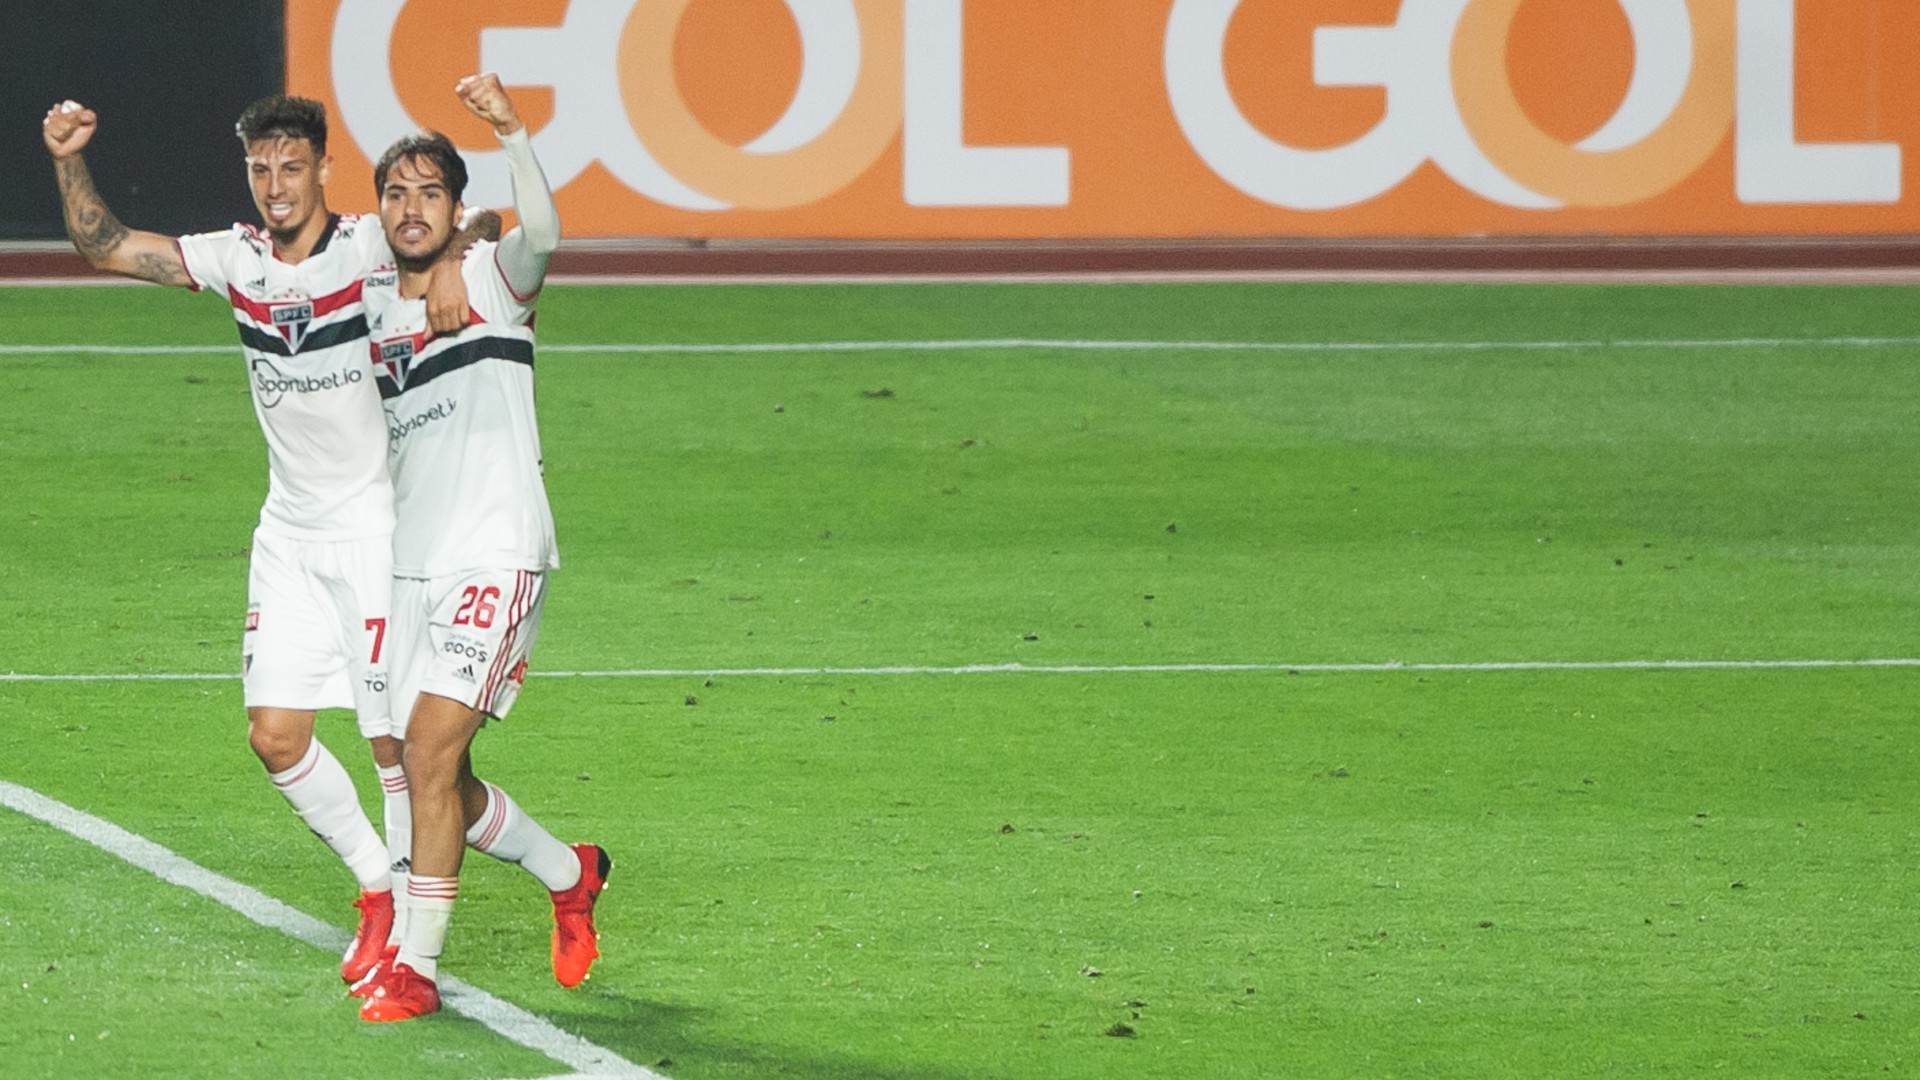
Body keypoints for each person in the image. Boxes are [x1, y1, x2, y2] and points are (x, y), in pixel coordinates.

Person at [40, 95, 492, 988]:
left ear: (324, 169)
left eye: (292, 169)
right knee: (276, 737)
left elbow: (471, 215)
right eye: (261, 170)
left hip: (374, 531)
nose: (277, 187)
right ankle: (375, 887)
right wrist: (67, 158)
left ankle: (409, 936)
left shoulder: (367, 243)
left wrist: (454, 261)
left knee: (393, 747)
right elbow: (105, 244)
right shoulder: (236, 258)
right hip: (286, 533)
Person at [351, 74, 607, 1023]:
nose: (410, 209)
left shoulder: (496, 278)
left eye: (430, 194)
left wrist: (510, 133)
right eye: (395, 193)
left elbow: (536, 231)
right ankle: (569, 872)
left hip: (496, 554)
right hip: (408, 564)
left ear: (456, 209)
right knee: (437, 775)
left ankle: (413, 969)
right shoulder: (374, 310)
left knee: (423, 754)